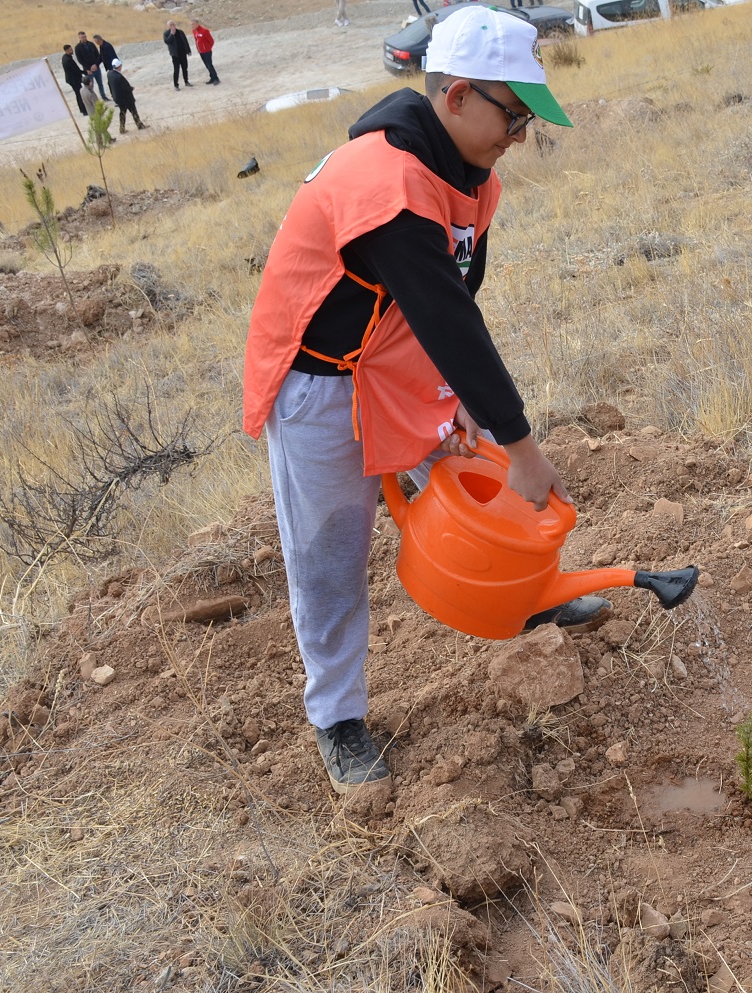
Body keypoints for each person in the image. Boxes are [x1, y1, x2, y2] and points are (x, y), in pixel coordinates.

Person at [241, 6, 591, 796]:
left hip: (392, 360)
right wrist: (524, 443)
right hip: (320, 380)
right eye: (513, 115)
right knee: (331, 556)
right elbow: (448, 316)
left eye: (530, 120)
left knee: (477, 475)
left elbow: (456, 290)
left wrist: (456, 399)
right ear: (458, 95)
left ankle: (528, 602)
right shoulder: (385, 181)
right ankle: (338, 718)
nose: (520, 135)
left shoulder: (474, 176)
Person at [107, 59, 147, 134]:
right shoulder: (119, 77)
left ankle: (122, 128)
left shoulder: (110, 74)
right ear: (119, 66)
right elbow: (125, 88)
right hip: (126, 98)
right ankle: (139, 125)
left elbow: (109, 84)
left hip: (118, 98)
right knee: (133, 111)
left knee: (122, 113)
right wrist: (131, 88)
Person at [74, 31, 108, 101]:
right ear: (79, 38)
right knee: (90, 85)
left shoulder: (91, 44)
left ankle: (103, 96)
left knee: (100, 83)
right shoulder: (78, 48)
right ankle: (93, 99)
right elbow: (80, 60)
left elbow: (97, 55)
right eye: (82, 37)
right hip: (88, 70)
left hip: (96, 68)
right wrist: (88, 68)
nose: (84, 38)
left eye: (85, 37)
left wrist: (96, 64)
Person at [163, 20, 192, 89]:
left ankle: (186, 81)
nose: (172, 26)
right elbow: (167, 41)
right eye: (171, 25)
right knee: (176, 70)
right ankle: (176, 85)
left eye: (173, 24)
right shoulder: (166, 33)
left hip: (182, 53)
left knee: (185, 68)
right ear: (168, 26)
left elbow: (185, 41)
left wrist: (188, 50)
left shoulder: (180, 32)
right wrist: (172, 34)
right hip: (175, 54)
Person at [60, 44, 88, 116]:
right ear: (66, 50)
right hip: (74, 80)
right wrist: (85, 72)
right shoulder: (68, 60)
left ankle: (82, 109)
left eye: (71, 49)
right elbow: (76, 70)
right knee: (80, 94)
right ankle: (84, 110)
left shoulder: (65, 57)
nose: (72, 50)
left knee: (78, 94)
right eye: (70, 50)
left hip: (71, 79)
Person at [190, 19, 221, 84]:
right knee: (207, 65)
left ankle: (216, 78)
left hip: (207, 51)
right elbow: (196, 40)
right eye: (191, 24)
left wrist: (207, 48)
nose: (192, 25)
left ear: (197, 24)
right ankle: (212, 78)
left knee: (209, 65)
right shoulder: (194, 31)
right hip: (201, 52)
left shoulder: (204, 31)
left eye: (193, 24)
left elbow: (211, 41)